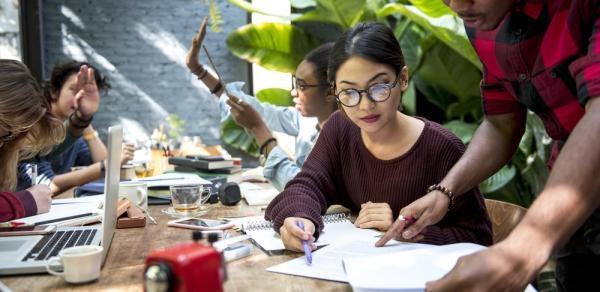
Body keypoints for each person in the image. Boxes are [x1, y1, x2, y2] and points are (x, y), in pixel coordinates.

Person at [376, 1, 600, 291]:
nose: (457, 5)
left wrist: (523, 250)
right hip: (571, 199)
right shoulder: (485, 19)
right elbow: (501, 123)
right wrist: (445, 191)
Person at [263, 22, 492, 252]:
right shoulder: (340, 128)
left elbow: (478, 237)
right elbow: (307, 185)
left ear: (402, 78)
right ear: (335, 90)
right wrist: (300, 219)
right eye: (349, 92)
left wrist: (402, 231)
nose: (365, 105)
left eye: (379, 87)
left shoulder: (442, 148)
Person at [185, 17, 338, 191]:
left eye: (301, 86)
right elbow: (255, 108)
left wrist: (259, 130)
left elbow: (303, 189)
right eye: (295, 83)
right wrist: (198, 69)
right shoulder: (307, 122)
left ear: (329, 92)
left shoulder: (343, 140)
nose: (293, 92)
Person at [0, 59, 99, 222]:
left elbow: (39, 151)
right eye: (73, 89)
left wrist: (82, 119)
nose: (3, 143)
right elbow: (48, 179)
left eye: (6, 136)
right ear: (54, 91)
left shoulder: (14, 142)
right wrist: (23, 203)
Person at [16, 62, 134, 195]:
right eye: (74, 90)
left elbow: (98, 165)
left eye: (86, 91)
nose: (79, 97)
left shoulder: (74, 135)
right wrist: (110, 164)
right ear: (54, 92)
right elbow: (47, 183)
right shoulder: (31, 129)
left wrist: (85, 120)